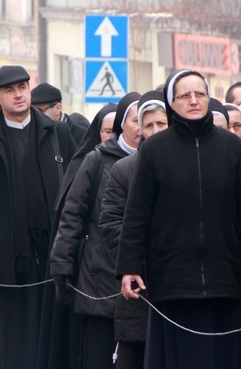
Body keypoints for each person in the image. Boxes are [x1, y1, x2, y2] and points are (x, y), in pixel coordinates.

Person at [117, 69, 241, 368]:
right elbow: (137, 214)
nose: (194, 100)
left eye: (200, 93)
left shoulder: (232, 147)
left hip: (222, 276)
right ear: (171, 102)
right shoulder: (154, 150)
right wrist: (129, 267)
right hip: (172, 279)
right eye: (184, 95)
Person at [0, 65, 77, 368]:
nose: (18, 95)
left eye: (23, 88)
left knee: (54, 337)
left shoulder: (58, 132)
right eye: (10, 91)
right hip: (7, 258)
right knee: (15, 342)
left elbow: (76, 191)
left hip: (53, 253)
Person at [50, 92, 141, 369]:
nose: (143, 128)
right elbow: (73, 215)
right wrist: (62, 266)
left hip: (142, 282)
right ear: (122, 124)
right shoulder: (98, 159)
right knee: (99, 355)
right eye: (137, 121)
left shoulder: (158, 161)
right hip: (99, 276)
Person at [39, 101, 118, 369]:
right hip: (91, 276)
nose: (111, 137)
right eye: (106, 131)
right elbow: (70, 220)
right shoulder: (89, 164)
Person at [98, 90, 168, 369]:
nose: (153, 130)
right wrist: (137, 258)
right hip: (139, 283)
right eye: (147, 124)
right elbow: (110, 223)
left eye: (161, 123)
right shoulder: (124, 169)